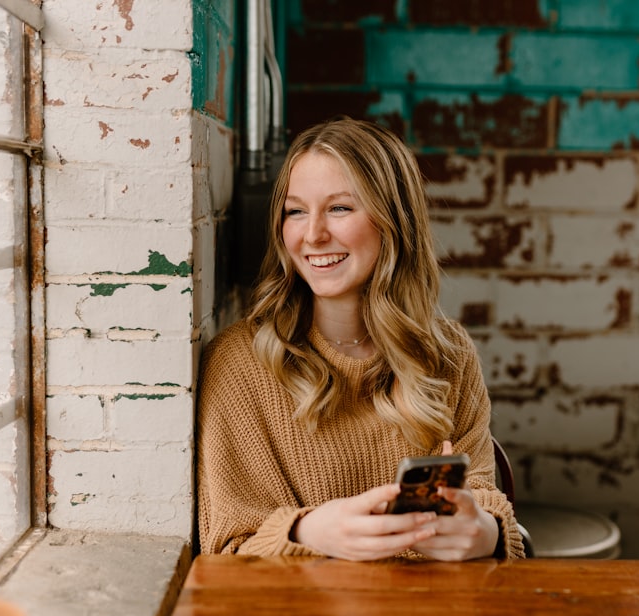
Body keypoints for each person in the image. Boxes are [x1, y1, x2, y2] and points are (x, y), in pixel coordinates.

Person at [196, 118, 525, 561]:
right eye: (295, 211)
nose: (312, 235)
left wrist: (485, 532)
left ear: (393, 221)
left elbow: (482, 496)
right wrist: (307, 531)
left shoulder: (448, 354)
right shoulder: (239, 363)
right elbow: (226, 548)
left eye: (340, 208)